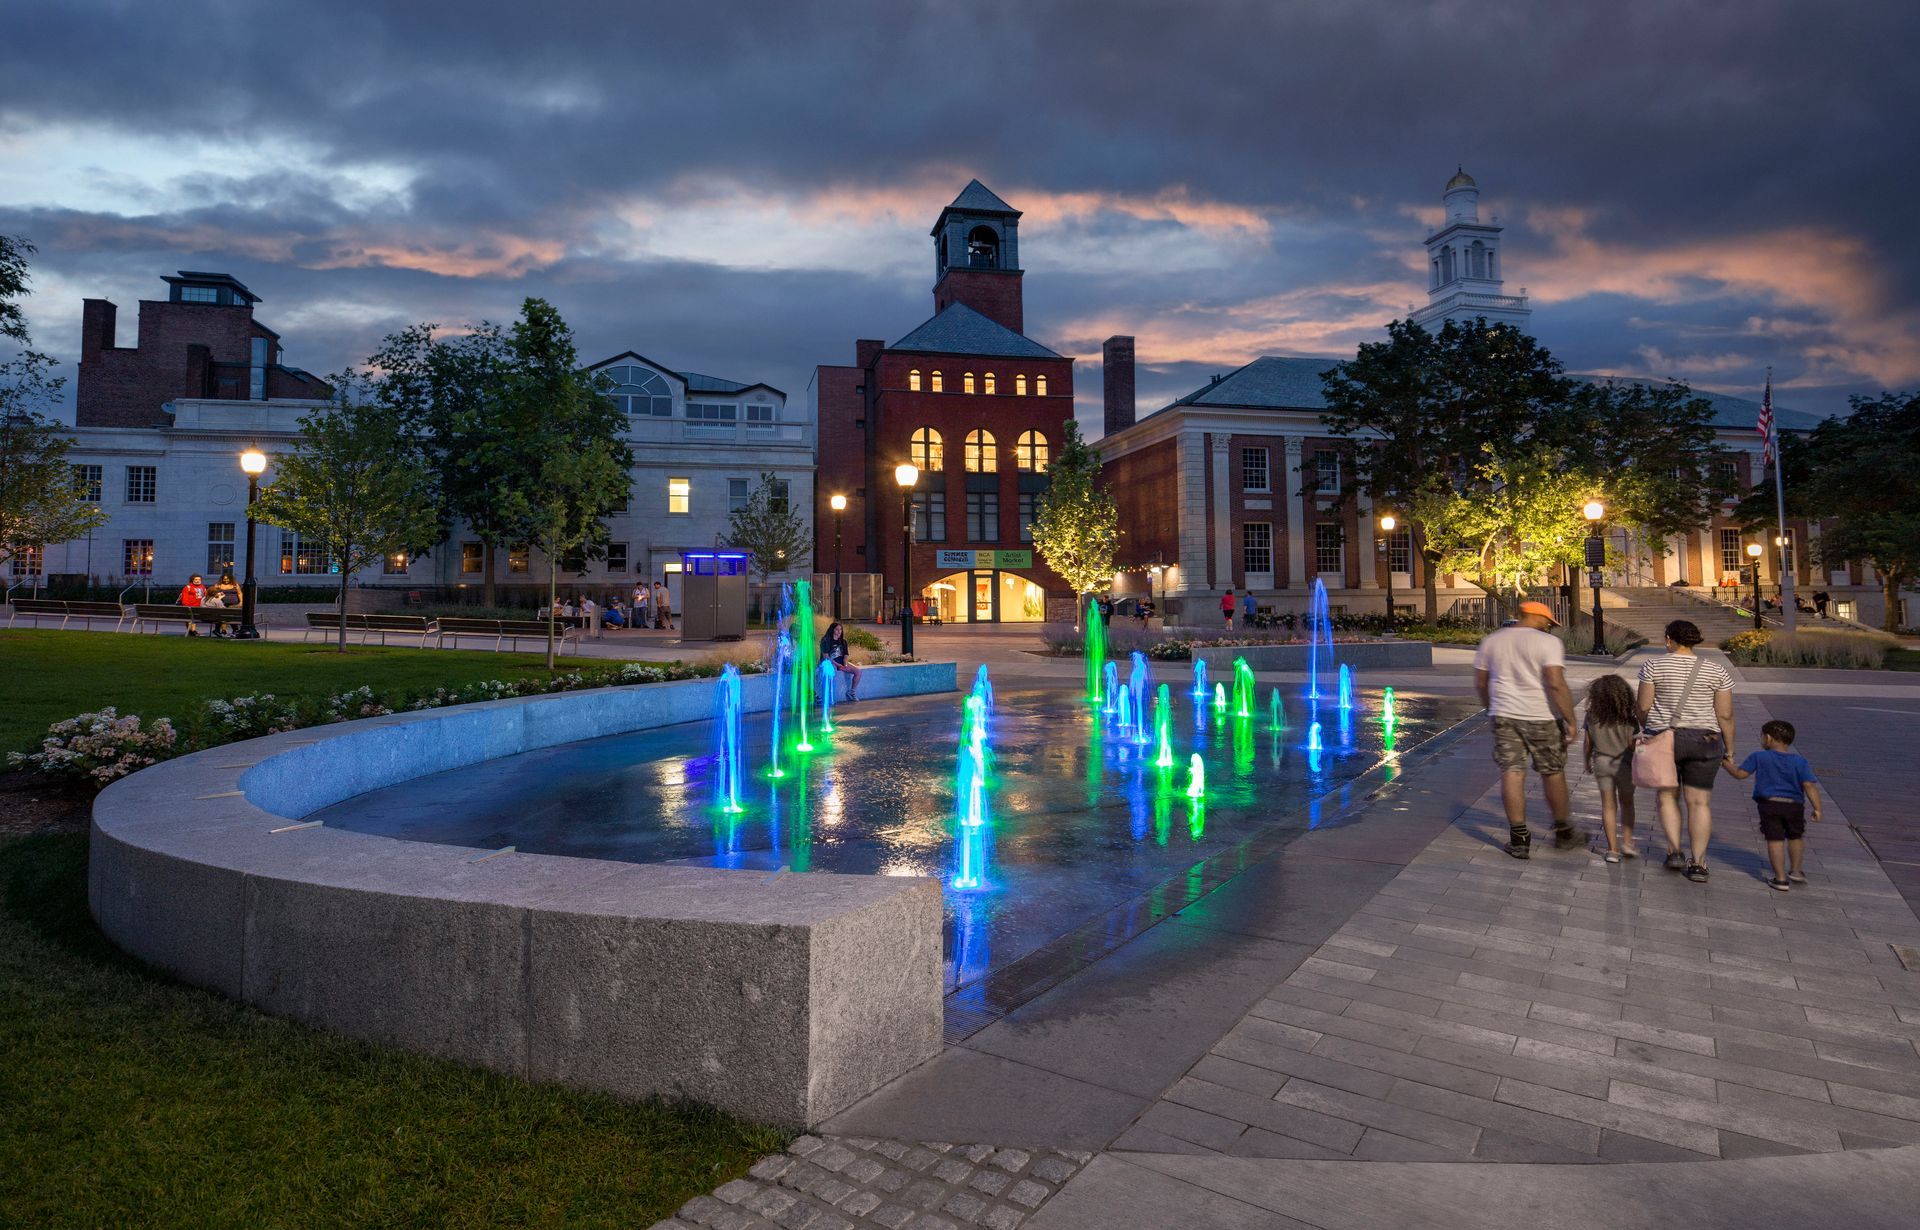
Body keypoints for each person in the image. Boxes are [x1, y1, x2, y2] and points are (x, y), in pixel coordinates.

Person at [1473, 600, 1579, 859]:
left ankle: (1519, 839)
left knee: (1512, 772)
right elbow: (1555, 683)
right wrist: (1571, 719)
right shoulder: (1548, 643)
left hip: (1504, 715)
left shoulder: (1492, 641)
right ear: (1534, 616)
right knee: (1552, 772)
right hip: (1541, 716)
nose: (1548, 626)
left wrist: (1491, 708)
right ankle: (1564, 831)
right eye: (1547, 621)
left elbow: (1480, 682)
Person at [1636, 618, 1736, 884]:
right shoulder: (1717, 671)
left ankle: (1674, 851)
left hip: (1664, 738)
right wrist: (1730, 748)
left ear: (1669, 638)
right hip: (1705, 740)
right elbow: (1725, 714)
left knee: (1668, 797)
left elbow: (1643, 708)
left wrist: (1651, 729)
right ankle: (1699, 862)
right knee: (1700, 802)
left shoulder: (1653, 666)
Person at [1723, 720, 1823, 891]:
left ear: (1768, 738)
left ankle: (1780, 878)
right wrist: (1817, 808)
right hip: (1794, 805)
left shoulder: (1759, 757)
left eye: (1762, 736)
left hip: (1769, 805)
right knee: (1795, 837)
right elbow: (1809, 785)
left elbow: (1740, 774)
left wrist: (1725, 763)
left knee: (1775, 840)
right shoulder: (1800, 761)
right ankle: (1796, 871)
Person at [1583, 674, 1640, 864]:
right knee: (1627, 804)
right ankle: (1628, 843)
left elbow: (1588, 742)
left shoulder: (1592, 715)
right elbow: (1632, 744)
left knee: (1608, 806)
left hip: (1602, 763)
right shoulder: (1629, 717)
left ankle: (1612, 850)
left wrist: (1586, 761)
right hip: (1625, 763)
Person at [821, 620, 861, 702]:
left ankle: (852, 692)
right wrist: (838, 665)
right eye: (837, 629)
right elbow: (826, 656)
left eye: (840, 629)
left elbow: (846, 654)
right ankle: (828, 695)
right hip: (829, 662)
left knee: (858, 672)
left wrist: (845, 664)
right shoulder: (826, 640)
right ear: (832, 630)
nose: (839, 631)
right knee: (832, 673)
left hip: (841, 662)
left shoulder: (843, 641)